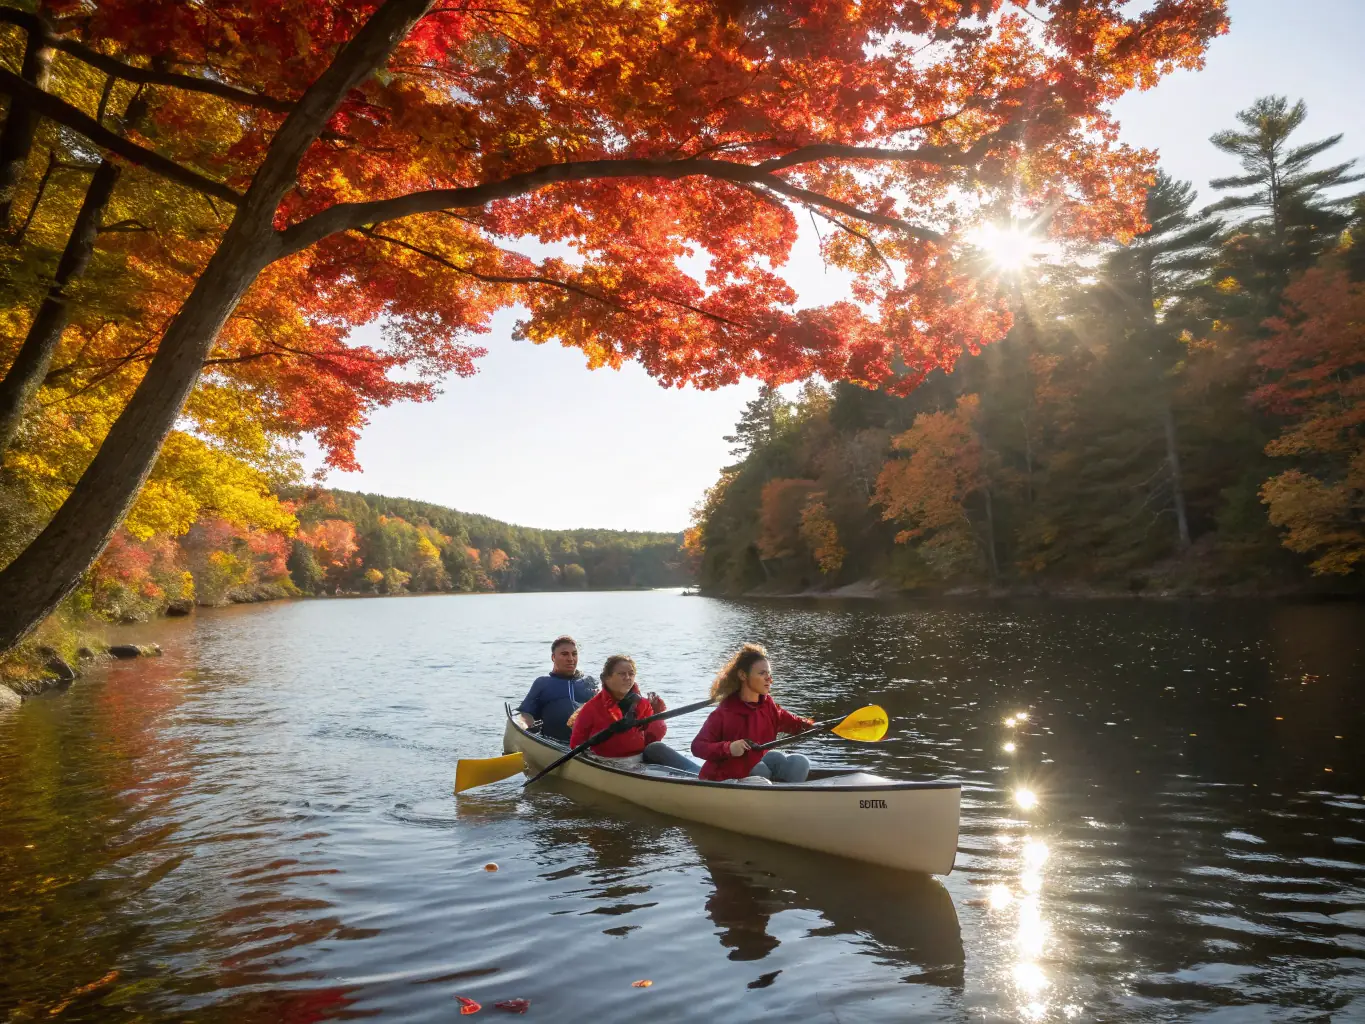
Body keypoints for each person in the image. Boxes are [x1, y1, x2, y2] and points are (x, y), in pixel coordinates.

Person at [691, 643, 814, 784]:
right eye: (762, 673)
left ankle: (782, 796)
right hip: (723, 777)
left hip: (755, 772)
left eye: (769, 674)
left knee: (799, 762)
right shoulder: (724, 713)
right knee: (760, 768)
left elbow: (795, 724)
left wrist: (816, 726)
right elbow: (698, 746)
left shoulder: (769, 706)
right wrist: (729, 748)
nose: (769, 679)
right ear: (743, 675)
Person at [568, 655, 700, 774]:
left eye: (631, 674)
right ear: (607, 678)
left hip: (639, 759)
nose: (628, 678)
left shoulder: (642, 703)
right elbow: (575, 744)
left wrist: (657, 715)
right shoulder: (591, 708)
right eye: (621, 674)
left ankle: (702, 775)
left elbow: (653, 738)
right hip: (608, 762)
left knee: (656, 747)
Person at [517, 635, 598, 742]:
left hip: (586, 746)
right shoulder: (543, 683)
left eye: (574, 654)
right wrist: (524, 728)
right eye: (564, 654)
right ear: (553, 657)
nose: (570, 659)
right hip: (554, 743)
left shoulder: (589, 682)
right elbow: (525, 714)